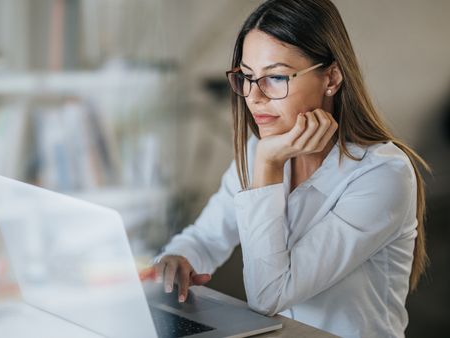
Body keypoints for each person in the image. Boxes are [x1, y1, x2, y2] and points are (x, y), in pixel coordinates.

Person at [139, 0, 431, 337]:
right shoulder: (259, 151)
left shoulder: (382, 175)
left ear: (331, 77)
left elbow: (269, 295)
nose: (254, 97)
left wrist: (269, 165)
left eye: (276, 77)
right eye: (247, 77)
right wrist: (178, 256)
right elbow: (207, 237)